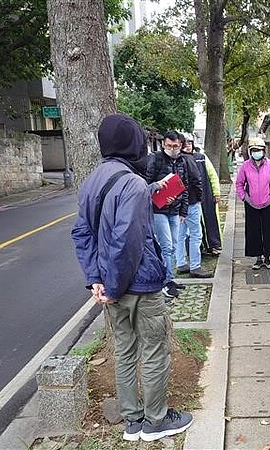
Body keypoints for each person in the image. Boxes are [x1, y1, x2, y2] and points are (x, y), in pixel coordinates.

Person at [71, 113, 193, 442]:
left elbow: (82, 234)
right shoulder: (133, 183)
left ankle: (132, 421)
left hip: (111, 288)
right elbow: (127, 241)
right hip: (138, 285)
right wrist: (111, 285)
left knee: (124, 352)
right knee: (154, 350)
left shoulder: (92, 180)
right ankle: (155, 421)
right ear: (133, 143)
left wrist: (96, 279)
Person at [146, 130, 189, 298]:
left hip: (175, 209)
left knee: (173, 245)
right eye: (169, 145)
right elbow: (146, 184)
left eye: (176, 146)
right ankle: (166, 281)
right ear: (163, 144)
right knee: (166, 246)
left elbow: (184, 186)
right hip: (158, 209)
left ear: (180, 146)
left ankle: (170, 278)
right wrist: (159, 188)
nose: (172, 149)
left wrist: (183, 210)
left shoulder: (182, 161)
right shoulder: (155, 159)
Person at [235, 137, 270, 269]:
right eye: (254, 150)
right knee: (253, 230)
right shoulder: (245, 166)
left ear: (264, 151)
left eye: (259, 150)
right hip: (251, 203)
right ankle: (257, 258)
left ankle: (268, 257)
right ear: (250, 152)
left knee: (267, 230)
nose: (257, 152)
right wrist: (244, 197)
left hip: (267, 203)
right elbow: (239, 183)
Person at [175, 135, 212, 278]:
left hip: (177, 202)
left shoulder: (172, 160)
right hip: (191, 201)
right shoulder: (189, 159)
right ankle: (195, 266)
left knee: (180, 234)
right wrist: (199, 197)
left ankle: (181, 263)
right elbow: (197, 180)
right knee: (196, 234)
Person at [183, 133, 223, 256]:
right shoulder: (179, 160)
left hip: (206, 194)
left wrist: (216, 192)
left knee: (210, 220)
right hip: (189, 198)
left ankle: (213, 245)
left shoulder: (201, 157)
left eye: (190, 143)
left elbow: (212, 175)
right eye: (185, 144)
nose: (188, 146)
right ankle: (195, 249)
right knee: (192, 225)